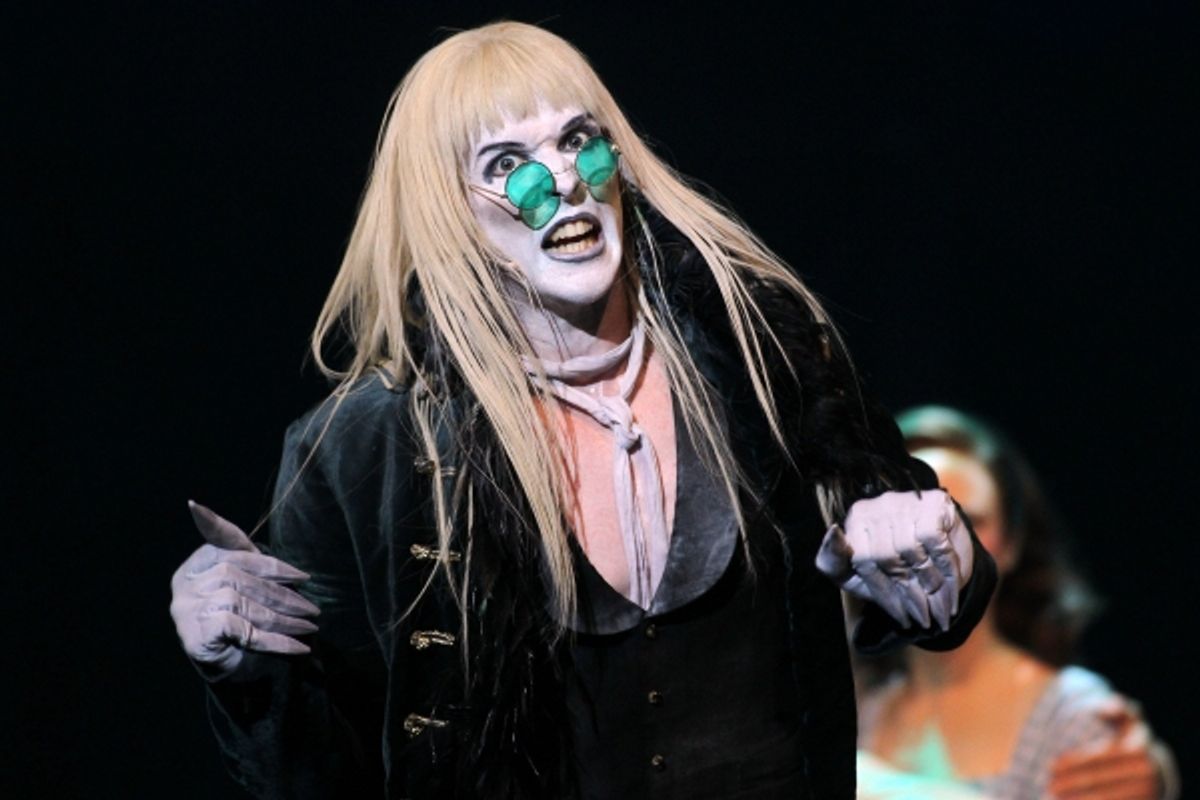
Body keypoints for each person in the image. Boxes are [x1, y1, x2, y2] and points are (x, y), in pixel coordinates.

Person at [169, 22, 998, 799]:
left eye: (577, 141)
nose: (562, 180)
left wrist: (935, 548)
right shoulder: (366, 447)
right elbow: (318, 775)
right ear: (445, 210)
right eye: (505, 164)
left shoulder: (760, 357)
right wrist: (241, 667)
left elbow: (936, 587)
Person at [856, 405, 1179, 800]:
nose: (933, 547)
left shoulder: (1073, 717)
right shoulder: (858, 709)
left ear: (1010, 546)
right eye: (910, 523)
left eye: (966, 522)